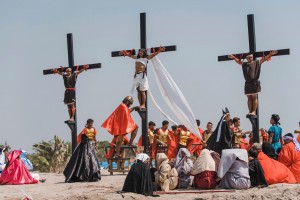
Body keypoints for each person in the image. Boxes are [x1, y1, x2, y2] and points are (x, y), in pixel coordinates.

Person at [229, 51, 278, 116]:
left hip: (254, 83)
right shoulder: (244, 64)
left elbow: (263, 59)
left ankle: (254, 111)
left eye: (251, 57)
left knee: (254, 97)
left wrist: (270, 54)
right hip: (247, 83)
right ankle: (250, 111)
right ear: (246, 58)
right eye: (248, 57)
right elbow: (239, 62)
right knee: (249, 98)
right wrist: (233, 58)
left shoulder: (256, 62)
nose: (250, 58)